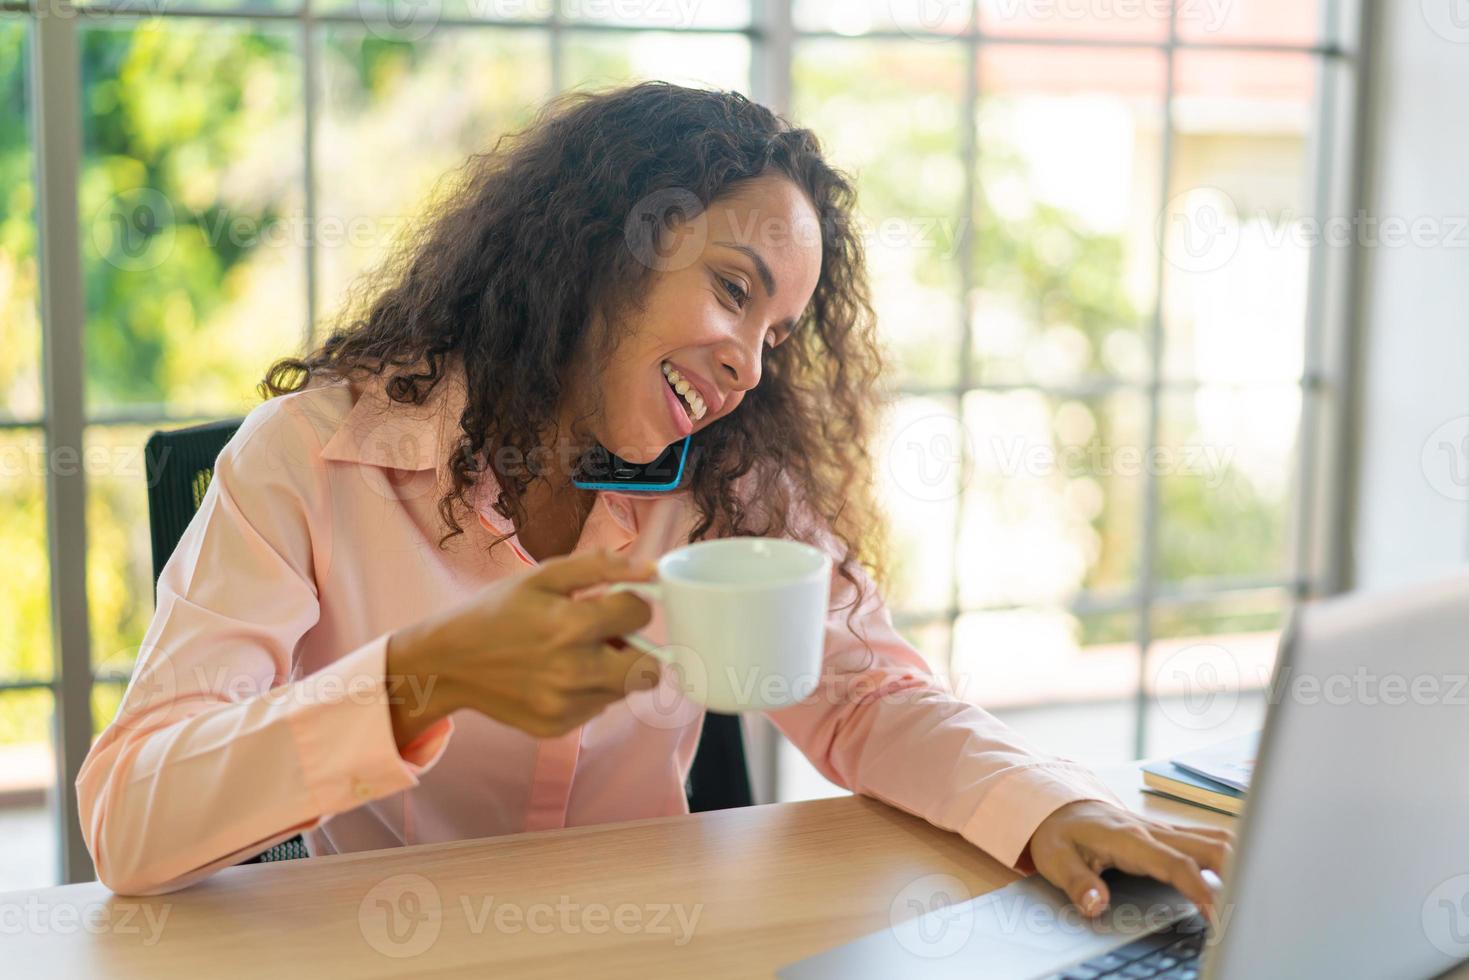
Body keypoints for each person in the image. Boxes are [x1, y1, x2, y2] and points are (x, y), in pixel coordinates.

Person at [77, 82, 1232, 917]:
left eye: (777, 334)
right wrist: (426, 674)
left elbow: (868, 696)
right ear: (604, 244)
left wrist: (1039, 804)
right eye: (732, 291)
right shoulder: (312, 457)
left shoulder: (730, 482)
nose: (749, 366)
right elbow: (130, 813)